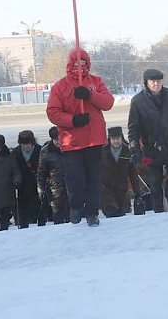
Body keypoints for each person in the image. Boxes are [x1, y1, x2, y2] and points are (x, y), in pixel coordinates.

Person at [46, 48, 114, 226]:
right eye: (76, 64)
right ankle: (75, 207)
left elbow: (108, 103)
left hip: (94, 139)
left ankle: (92, 212)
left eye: (83, 64)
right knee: (74, 178)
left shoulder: (96, 82)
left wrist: (90, 95)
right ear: (70, 65)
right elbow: (53, 112)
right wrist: (73, 120)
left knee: (94, 178)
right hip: (72, 141)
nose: (80, 67)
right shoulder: (60, 86)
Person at [128, 69, 168, 213]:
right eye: (153, 82)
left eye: (159, 81)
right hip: (151, 147)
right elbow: (133, 128)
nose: (156, 84)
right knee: (155, 182)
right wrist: (134, 149)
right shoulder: (138, 101)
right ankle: (158, 210)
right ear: (147, 83)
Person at [101, 126, 147, 218]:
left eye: (117, 138)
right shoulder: (102, 152)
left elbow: (133, 174)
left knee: (121, 215)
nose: (116, 141)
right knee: (111, 211)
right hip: (106, 189)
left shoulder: (127, 151)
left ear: (121, 138)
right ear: (109, 140)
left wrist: (138, 194)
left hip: (121, 189)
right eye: (113, 139)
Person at [37, 126, 69, 225]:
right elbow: (41, 172)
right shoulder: (45, 151)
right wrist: (40, 189)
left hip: (71, 185)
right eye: (56, 140)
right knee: (57, 215)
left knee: (72, 214)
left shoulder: (70, 147)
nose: (59, 142)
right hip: (55, 188)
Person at [11, 130, 41, 228]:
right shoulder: (15, 153)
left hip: (37, 183)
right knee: (22, 208)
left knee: (38, 206)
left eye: (28, 144)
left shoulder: (40, 150)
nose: (26, 146)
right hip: (21, 185)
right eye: (23, 144)